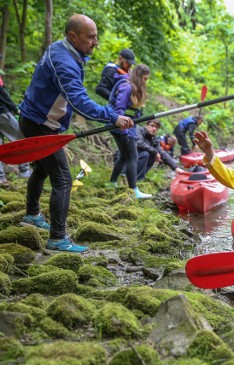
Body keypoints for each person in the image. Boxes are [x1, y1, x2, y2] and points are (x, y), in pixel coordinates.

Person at [18, 14, 134, 253]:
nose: (95, 42)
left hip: (36, 120)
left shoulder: (63, 49)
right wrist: (113, 116)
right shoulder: (64, 62)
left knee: (42, 168)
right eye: (91, 37)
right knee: (63, 179)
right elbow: (79, 102)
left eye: (96, 37)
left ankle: (31, 214)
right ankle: (57, 238)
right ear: (73, 36)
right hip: (40, 124)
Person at [106, 63, 152, 199]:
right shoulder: (126, 86)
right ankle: (134, 190)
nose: (146, 82)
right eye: (144, 78)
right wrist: (124, 131)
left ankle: (112, 183)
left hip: (126, 126)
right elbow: (119, 109)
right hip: (122, 127)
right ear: (138, 77)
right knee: (133, 157)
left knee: (124, 156)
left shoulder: (132, 87)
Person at [0, 69, 31, 184]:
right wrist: (15, 109)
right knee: (21, 139)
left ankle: (1, 178)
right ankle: (24, 171)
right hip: (2, 113)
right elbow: (2, 95)